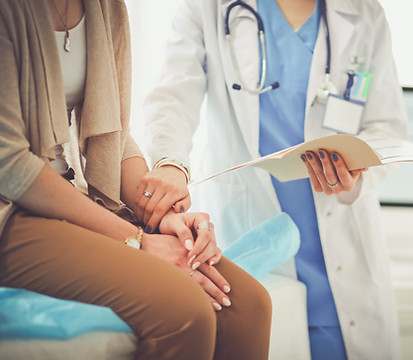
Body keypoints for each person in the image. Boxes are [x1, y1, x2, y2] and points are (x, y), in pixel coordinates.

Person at [0, 1, 272, 359]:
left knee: (250, 306)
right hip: (11, 210)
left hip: (68, 196)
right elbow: (9, 163)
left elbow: (113, 132)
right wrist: (137, 240)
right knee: (184, 310)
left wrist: (158, 212)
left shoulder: (105, 7)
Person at [140, 0, 408, 359]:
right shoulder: (209, 7)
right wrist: (170, 163)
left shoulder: (363, 12)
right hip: (251, 230)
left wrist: (357, 171)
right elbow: (172, 95)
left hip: (341, 247)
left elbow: (388, 125)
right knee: (265, 332)